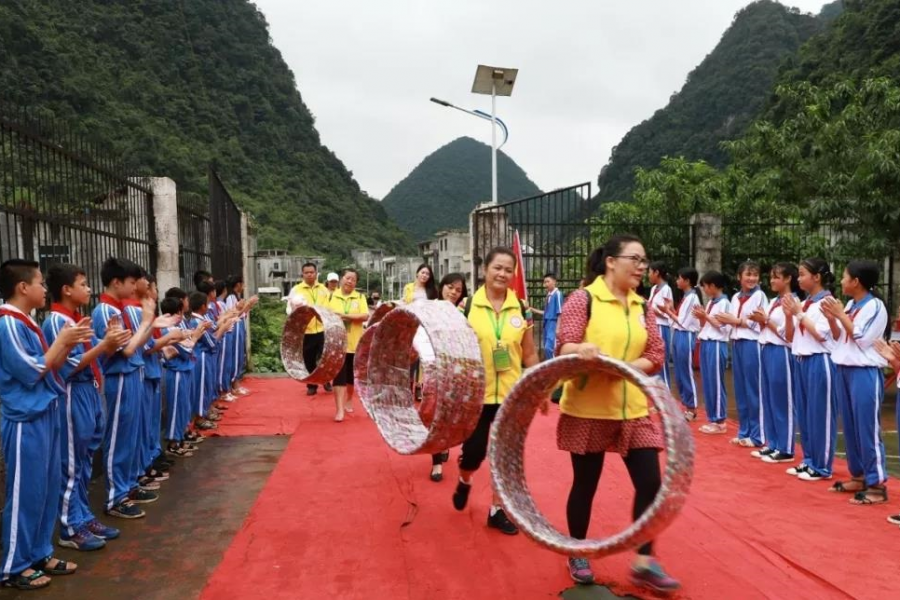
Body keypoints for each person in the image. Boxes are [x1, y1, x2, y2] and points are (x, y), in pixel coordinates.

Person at [554, 236, 679, 591]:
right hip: (589, 408)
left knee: (651, 484)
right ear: (611, 261)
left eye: (644, 260)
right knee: (586, 483)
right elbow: (564, 344)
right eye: (635, 259)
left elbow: (656, 352)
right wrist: (582, 348)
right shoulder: (584, 299)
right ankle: (576, 549)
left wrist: (622, 368)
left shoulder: (642, 306)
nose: (642, 266)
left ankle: (643, 561)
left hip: (633, 408)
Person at [0, 260, 94, 590]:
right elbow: (31, 370)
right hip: (25, 418)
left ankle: (39, 552)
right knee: (25, 492)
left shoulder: (29, 322)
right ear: (22, 287)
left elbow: (50, 365)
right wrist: (63, 342)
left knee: (45, 488)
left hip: (45, 412)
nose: (44, 289)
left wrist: (68, 342)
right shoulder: (8, 323)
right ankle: (14, 565)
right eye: (39, 283)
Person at [452, 248, 541, 536]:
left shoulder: (522, 308)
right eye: (497, 268)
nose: (502, 274)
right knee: (474, 453)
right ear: (485, 270)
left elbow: (528, 353)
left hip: (511, 395)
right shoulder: (467, 307)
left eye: (507, 269)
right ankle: (465, 479)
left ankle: (497, 510)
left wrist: (539, 385)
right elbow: (454, 352)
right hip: (478, 393)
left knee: (505, 456)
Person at [44, 263, 131, 551]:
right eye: (83, 284)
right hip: (73, 393)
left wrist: (108, 342)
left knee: (83, 462)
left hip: (90, 392)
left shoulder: (76, 318)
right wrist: (105, 345)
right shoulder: (57, 321)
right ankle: (69, 527)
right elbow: (68, 367)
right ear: (67, 289)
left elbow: (94, 351)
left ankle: (82, 516)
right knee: (71, 464)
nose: (88, 289)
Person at [92, 258, 164, 518]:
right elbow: (129, 349)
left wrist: (151, 325)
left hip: (131, 374)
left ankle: (128, 485)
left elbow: (136, 344)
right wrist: (148, 322)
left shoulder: (118, 310)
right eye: (131, 282)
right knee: (118, 438)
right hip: (119, 378)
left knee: (131, 436)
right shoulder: (105, 312)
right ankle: (115, 497)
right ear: (116, 282)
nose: (135, 287)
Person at [823, 260, 889, 504]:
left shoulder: (875, 307)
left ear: (856, 282)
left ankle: (876, 484)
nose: (841, 281)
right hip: (845, 368)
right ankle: (859, 475)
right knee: (850, 427)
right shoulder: (851, 304)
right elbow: (839, 335)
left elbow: (861, 339)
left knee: (867, 428)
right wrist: (833, 318)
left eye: (844, 277)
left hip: (864, 372)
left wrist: (840, 315)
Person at [782, 258, 837, 481]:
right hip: (801, 359)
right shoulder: (805, 303)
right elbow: (789, 336)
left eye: (803, 273)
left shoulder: (827, 302)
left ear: (817, 277)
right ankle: (809, 459)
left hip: (820, 359)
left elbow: (822, 335)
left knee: (820, 414)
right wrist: (790, 315)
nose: (799, 278)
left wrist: (798, 313)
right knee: (804, 414)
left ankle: (822, 465)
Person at [748, 262, 800, 464]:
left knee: (782, 399)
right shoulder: (773, 301)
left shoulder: (793, 302)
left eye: (776, 277)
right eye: (771, 277)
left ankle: (786, 447)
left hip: (781, 352)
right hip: (766, 348)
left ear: (787, 279)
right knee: (768, 398)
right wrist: (762, 319)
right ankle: (773, 443)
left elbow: (789, 335)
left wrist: (766, 320)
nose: (772, 281)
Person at [717, 261, 768, 447]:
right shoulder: (736, 297)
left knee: (754, 389)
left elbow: (756, 323)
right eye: (748, 274)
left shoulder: (760, 296)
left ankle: (757, 435)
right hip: (737, 343)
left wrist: (735, 320)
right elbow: (732, 321)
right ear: (739, 277)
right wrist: (726, 320)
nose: (752, 278)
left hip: (752, 344)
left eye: (755, 275)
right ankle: (744, 430)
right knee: (740, 389)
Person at [425, 273, 468, 482]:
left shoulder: (462, 311)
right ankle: (436, 463)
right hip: (434, 368)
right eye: (450, 287)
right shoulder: (430, 308)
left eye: (458, 290)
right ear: (442, 287)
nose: (453, 292)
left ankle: (443, 443)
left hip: (456, 370)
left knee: (450, 415)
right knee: (435, 415)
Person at [328, 269, 369, 421]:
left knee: (351, 378)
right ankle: (339, 410)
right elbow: (325, 314)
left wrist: (345, 316)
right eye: (347, 278)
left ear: (356, 283)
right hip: (337, 343)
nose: (349, 281)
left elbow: (365, 316)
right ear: (341, 279)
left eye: (353, 279)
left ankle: (349, 398)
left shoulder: (359, 297)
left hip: (355, 343)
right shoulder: (332, 296)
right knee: (338, 376)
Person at [694, 271, 731, 435]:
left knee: (716, 382)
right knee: (708, 381)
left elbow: (723, 327)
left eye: (706, 286)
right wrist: (702, 316)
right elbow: (705, 324)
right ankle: (712, 417)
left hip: (717, 343)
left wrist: (706, 316)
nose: (705, 290)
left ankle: (719, 419)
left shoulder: (724, 303)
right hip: (707, 342)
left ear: (713, 286)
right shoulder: (711, 303)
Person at [662, 267, 701, 419]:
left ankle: (692, 407)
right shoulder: (686, 297)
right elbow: (680, 318)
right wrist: (671, 308)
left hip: (686, 335)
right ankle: (687, 405)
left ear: (687, 281)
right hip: (679, 334)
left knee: (686, 372)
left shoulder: (692, 298)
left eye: (679, 278)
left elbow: (683, 322)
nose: (677, 281)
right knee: (679, 372)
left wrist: (667, 311)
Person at [287, 263, 331, 396]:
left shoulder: (324, 289)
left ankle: (326, 380)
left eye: (312, 272)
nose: (309, 274)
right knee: (309, 359)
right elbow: (289, 309)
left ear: (316, 273)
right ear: (302, 274)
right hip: (306, 330)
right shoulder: (296, 290)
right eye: (306, 272)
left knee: (325, 357)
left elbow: (329, 308)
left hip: (324, 328)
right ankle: (312, 385)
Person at [647, 262, 673, 388]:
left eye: (650, 272)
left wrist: (652, 310)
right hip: (653, 326)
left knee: (661, 360)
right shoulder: (654, 289)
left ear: (657, 273)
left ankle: (665, 390)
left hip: (661, 326)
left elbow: (667, 314)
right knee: (653, 359)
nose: (648, 275)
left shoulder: (666, 290)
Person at [530, 272, 563, 360]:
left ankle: (555, 368)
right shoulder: (548, 295)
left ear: (554, 282)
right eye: (544, 282)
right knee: (546, 348)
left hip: (553, 323)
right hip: (546, 323)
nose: (545, 285)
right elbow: (546, 312)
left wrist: (558, 328)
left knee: (550, 348)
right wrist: (533, 309)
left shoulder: (557, 294)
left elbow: (560, 312)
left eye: (547, 282)